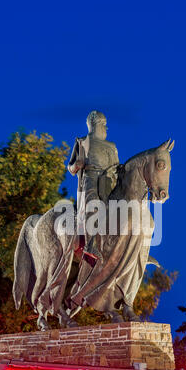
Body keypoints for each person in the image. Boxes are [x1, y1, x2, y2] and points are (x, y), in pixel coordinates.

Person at [68, 111, 119, 261]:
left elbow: (117, 166)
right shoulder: (82, 141)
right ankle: (91, 245)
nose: (106, 128)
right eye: (104, 125)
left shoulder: (111, 146)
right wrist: (76, 165)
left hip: (109, 181)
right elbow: (70, 168)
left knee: (123, 207)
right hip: (90, 179)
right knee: (93, 205)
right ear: (95, 125)